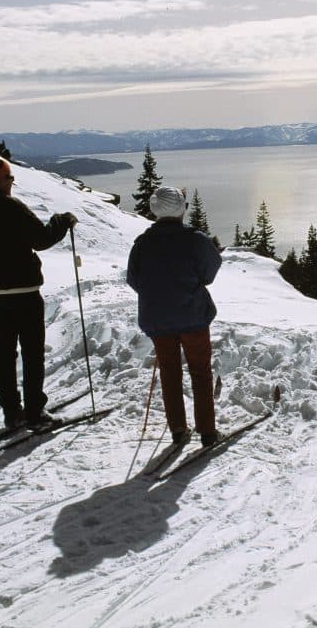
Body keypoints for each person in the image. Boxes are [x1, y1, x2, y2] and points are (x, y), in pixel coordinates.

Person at [0, 152, 77, 430]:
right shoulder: (13, 207)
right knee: (32, 351)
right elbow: (42, 238)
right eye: (9, 177)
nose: (12, 182)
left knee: (5, 351)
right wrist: (61, 222)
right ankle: (36, 411)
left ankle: (12, 412)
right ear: (0, 181)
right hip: (24, 289)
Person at [127, 186, 223, 447]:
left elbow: (134, 280)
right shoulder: (196, 240)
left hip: (158, 319)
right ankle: (207, 432)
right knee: (200, 372)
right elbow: (210, 273)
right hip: (192, 317)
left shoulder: (142, 243)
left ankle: (178, 430)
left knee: (170, 372)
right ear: (182, 209)